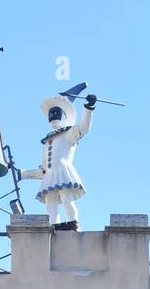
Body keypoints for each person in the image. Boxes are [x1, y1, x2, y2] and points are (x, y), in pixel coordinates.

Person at [18, 93, 97, 230]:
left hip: (63, 172)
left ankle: (74, 223)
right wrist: (22, 174)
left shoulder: (69, 133)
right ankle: (53, 226)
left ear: (64, 116)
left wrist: (88, 108)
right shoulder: (47, 142)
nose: (53, 115)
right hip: (50, 177)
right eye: (51, 113)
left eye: (56, 112)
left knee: (67, 200)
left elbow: (83, 127)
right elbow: (44, 170)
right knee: (50, 204)